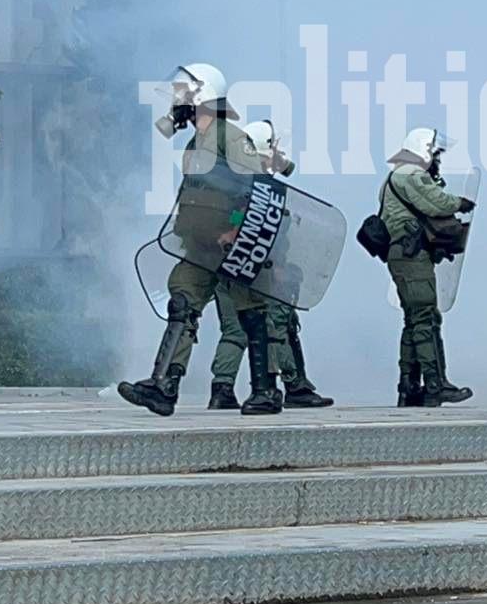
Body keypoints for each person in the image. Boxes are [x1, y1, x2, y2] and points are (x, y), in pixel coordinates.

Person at [118, 63, 282, 417]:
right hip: (202, 246)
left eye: (183, 92)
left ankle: (265, 392)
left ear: (202, 95)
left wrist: (237, 229)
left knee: (251, 312)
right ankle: (164, 386)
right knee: (182, 301)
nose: (177, 99)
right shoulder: (196, 141)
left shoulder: (230, 136)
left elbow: (258, 188)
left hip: (233, 245)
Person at [206, 120, 333, 410]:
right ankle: (292, 384)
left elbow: (230, 219)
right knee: (275, 326)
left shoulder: (229, 181)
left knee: (234, 330)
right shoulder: (257, 185)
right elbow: (242, 220)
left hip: (224, 267)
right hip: (258, 269)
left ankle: (221, 389)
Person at [380, 126, 474, 407]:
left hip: (405, 254)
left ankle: (409, 386)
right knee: (426, 318)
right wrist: (461, 203)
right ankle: (436, 384)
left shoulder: (400, 175)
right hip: (411, 255)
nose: (438, 159)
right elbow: (436, 203)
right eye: (436, 153)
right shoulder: (409, 174)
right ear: (424, 149)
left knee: (414, 319)